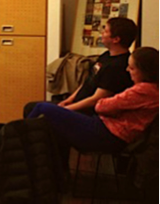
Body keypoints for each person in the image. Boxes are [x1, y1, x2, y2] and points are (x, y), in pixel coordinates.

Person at [26, 47, 160, 167]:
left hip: (108, 134)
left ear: (144, 71)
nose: (127, 70)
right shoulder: (152, 90)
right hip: (108, 129)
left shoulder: (143, 90)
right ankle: (43, 169)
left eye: (131, 68)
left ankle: (21, 152)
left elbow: (101, 106)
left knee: (42, 108)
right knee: (47, 122)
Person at [25, 17, 137, 117]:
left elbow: (96, 99)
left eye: (106, 31)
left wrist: (66, 110)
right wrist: (69, 100)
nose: (102, 33)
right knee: (30, 107)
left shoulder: (117, 67)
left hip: (87, 111)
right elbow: (88, 81)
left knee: (39, 110)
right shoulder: (106, 56)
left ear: (116, 39)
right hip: (77, 103)